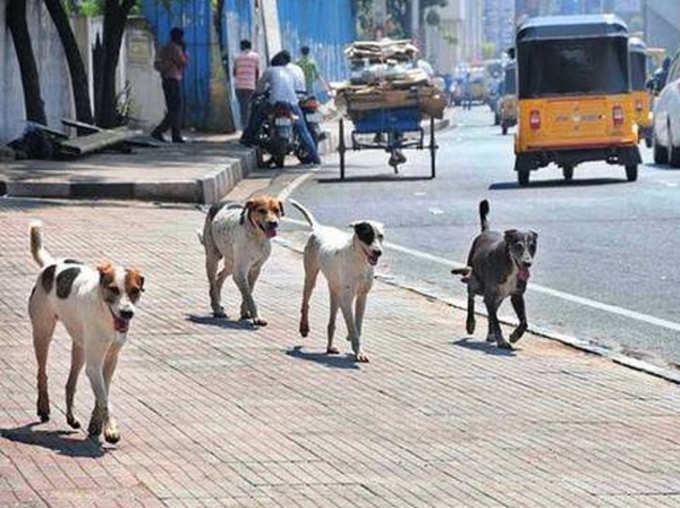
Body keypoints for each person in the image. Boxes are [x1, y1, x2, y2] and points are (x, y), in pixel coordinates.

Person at [241, 50, 321, 165]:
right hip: (293, 102)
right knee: (303, 131)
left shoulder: (270, 70)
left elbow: (260, 87)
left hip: (276, 102)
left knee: (258, 113)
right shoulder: (290, 71)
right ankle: (316, 158)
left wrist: (256, 94)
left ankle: (249, 137)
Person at [151, 27, 188, 143]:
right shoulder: (176, 48)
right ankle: (161, 131)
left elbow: (157, 64)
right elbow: (183, 62)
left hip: (166, 79)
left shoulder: (165, 48)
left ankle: (173, 134)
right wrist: (184, 51)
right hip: (173, 79)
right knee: (175, 108)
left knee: (172, 108)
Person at [233, 39, 260, 127]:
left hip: (239, 86)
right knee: (249, 107)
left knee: (242, 107)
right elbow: (257, 72)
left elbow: (234, 72)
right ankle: (248, 127)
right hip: (250, 86)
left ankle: (243, 126)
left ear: (242, 47)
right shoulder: (255, 57)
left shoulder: (237, 57)